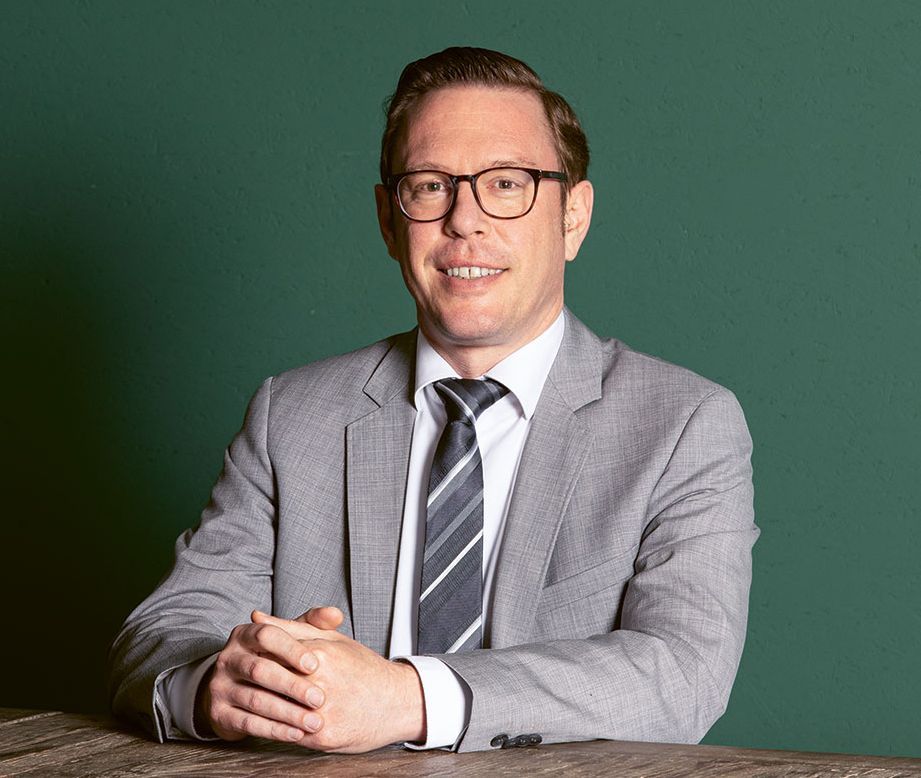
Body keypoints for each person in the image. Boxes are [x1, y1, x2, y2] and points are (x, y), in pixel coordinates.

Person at [108, 46, 758, 755]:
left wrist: (407, 698)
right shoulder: (289, 417)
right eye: (429, 186)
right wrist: (217, 687)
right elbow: (165, 631)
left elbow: (682, 673)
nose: (464, 220)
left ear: (572, 217)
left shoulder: (681, 425)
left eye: (506, 184)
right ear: (390, 222)